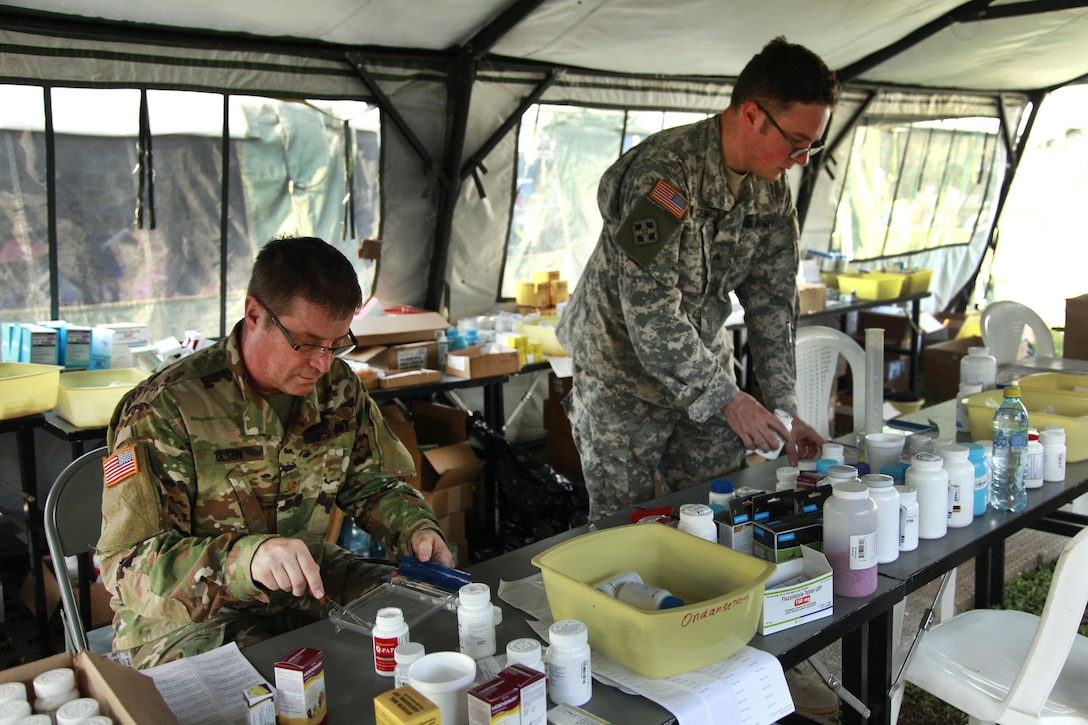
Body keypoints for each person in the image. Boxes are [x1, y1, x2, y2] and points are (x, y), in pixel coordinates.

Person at [97, 236, 452, 668]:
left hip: (303, 585)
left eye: (337, 343)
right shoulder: (166, 409)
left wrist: (415, 529)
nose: (322, 364)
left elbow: (372, 483)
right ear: (254, 314)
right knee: (269, 693)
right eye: (306, 343)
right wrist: (247, 561)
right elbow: (126, 567)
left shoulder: (337, 387)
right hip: (189, 617)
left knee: (429, 616)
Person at [556, 37, 836, 519]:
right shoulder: (665, 179)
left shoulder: (771, 191)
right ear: (752, 115)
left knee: (720, 507)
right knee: (624, 528)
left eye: (814, 146)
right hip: (621, 375)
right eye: (797, 143)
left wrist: (784, 411)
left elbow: (773, 307)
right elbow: (650, 314)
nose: (802, 159)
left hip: (702, 363)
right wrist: (730, 398)